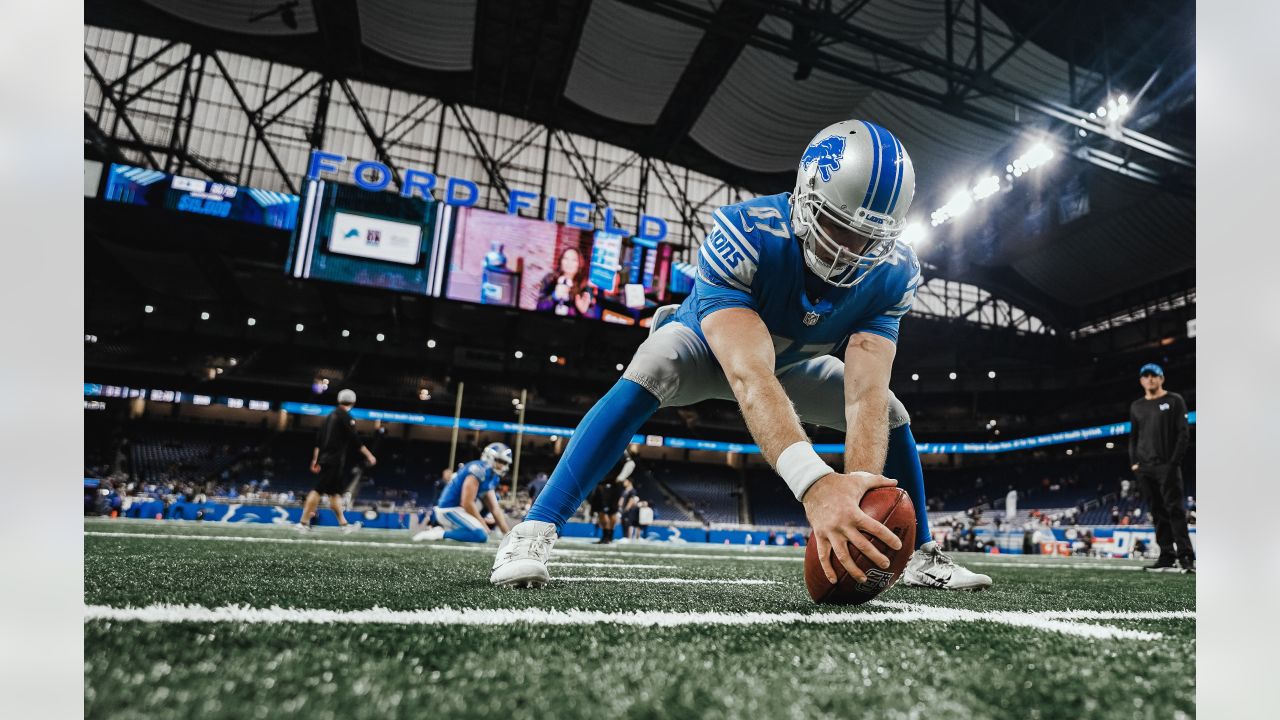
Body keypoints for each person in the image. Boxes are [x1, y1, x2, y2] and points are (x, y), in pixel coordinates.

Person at [490, 120, 990, 592]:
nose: (852, 250)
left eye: (870, 238)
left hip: (791, 363)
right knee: (653, 366)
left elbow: (864, 396)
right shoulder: (745, 232)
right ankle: (533, 528)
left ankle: (921, 554)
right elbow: (750, 376)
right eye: (839, 227)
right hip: (707, 349)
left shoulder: (896, 270)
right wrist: (817, 486)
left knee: (892, 411)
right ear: (806, 195)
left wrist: (861, 497)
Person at [1128, 363, 1194, 573]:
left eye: (1153, 375)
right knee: (1157, 512)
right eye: (1145, 376)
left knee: (1175, 510)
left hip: (1168, 466)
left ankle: (1185, 557)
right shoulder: (1136, 406)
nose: (1150, 379)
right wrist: (1135, 464)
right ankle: (1166, 555)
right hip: (1145, 468)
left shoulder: (1174, 400)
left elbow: (1183, 434)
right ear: (1141, 381)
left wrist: (1173, 463)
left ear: (1161, 378)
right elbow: (1133, 438)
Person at [296, 389, 375, 533]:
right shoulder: (345, 416)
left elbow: (318, 442)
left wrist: (315, 460)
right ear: (353, 401)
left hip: (326, 459)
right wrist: (369, 455)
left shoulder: (328, 417)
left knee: (334, 494)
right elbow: (355, 440)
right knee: (317, 490)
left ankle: (343, 525)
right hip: (333, 460)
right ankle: (303, 522)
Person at [413, 443, 514, 543]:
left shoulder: (493, 476)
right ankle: (437, 533)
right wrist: (483, 525)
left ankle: (453, 529)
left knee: (495, 498)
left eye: (505, 463)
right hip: (448, 509)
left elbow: (494, 508)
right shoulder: (478, 469)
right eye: (500, 461)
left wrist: (507, 534)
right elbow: (466, 502)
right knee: (481, 535)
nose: (502, 466)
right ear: (490, 457)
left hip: (461, 510)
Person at [536, 246, 599, 318]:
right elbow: (539, 307)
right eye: (566, 258)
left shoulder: (584, 286)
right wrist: (554, 296)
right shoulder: (550, 279)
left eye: (574, 260)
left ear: (579, 264)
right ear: (561, 261)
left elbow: (593, 317)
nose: (569, 263)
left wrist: (584, 311)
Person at [588, 453, 632, 544]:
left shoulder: (621, 449)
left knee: (609, 512)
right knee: (602, 512)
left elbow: (631, 463)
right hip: (601, 483)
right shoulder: (603, 448)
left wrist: (621, 477)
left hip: (611, 484)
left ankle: (608, 537)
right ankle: (606, 537)